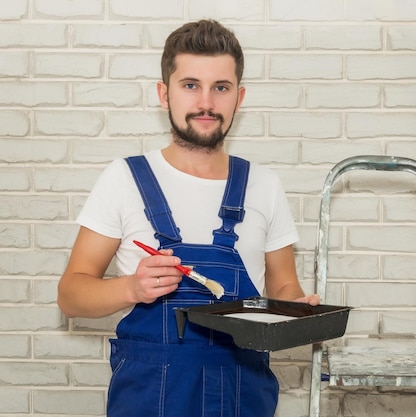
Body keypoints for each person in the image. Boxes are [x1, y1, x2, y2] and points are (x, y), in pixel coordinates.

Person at [57, 19, 319, 417]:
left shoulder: (263, 185)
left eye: (221, 87)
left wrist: (298, 311)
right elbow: (70, 296)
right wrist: (132, 287)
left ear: (239, 97)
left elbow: (283, 284)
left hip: (243, 398)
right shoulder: (124, 178)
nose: (206, 103)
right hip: (148, 399)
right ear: (165, 93)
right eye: (190, 85)